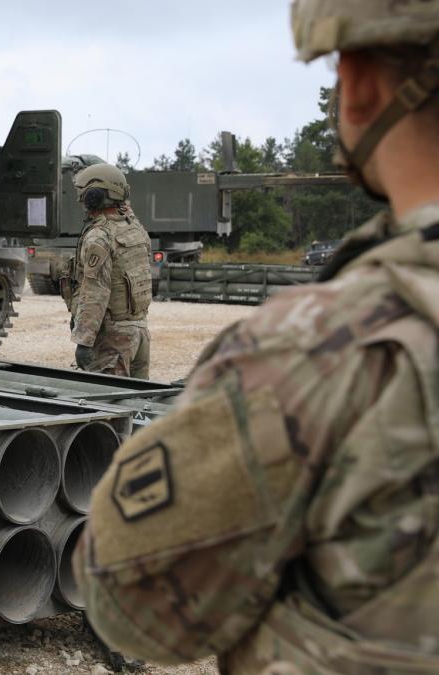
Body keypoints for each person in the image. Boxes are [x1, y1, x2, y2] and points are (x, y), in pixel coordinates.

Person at [73, 1, 439, 673]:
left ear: (357, 84)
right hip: (140, 330)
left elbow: (126, 592)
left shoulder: (316, 348)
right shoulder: (136, 231)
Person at [68, 163, 152, 379]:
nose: (81, 202)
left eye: (84, 195)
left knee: (110, 409)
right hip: (139, 334)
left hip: (112, 342)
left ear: (94, 197)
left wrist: (84, 341)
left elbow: (95, 292)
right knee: (136, 406)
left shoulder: (100, 236)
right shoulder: (135, 228)